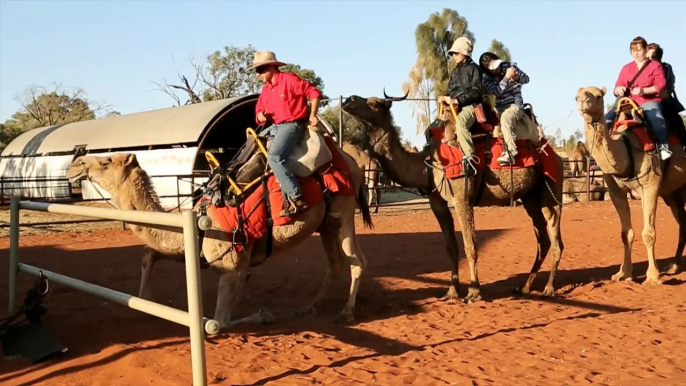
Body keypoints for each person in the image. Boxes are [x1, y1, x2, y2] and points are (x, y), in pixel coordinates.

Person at [249, 50, 322, 216]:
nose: (257, 75)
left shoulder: (289, 79)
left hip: (292, 125)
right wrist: (262, 115)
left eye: (259, 70)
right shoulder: (265, 90)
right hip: (275, 127)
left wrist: (312, 114)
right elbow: (258, 116)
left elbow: (314, 93)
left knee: (275, 157)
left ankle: (297, 198)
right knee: (251, 144)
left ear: (271, 68)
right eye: (256, 71)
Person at [604, 36, 671, 160]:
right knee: (607, 119)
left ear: (645, 49)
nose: (636, 53)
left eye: (639, 50)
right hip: (627, 101)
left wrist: (643, 90)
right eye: (633, 50)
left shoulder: (655, 66)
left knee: (656, 118)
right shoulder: (626, 68)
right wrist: (619, 89)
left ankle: (663, 147)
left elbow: (660, 85)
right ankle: (603, 150)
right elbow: (617, 86)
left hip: (648, 100)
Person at [436, 36, 488, 177]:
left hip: (470, 106)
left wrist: (456, 100)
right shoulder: (454, 72)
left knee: (461, 124)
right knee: (434, 129)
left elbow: (477, 92)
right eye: (452, 53)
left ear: (464, 53)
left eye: (456, 53)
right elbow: (450, 91)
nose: (453, 56)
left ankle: (469, 160)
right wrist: (444, 99)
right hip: (454, 108)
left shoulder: (475, 70)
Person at [478, 52, 530, 165]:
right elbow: (497, 91)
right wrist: (507, 77)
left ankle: (511, 152)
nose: (496, 69)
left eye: (497, 65)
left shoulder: (510, 67)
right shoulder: (486, 79)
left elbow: (526, 79)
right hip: (500, 107)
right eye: (492, 68)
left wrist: (517, 77)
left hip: (515, 104)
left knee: (506, 119)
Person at [647, 42, 686, 145]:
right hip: (642, 102)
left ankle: (683, 145)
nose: (650, 59)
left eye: (653, 57)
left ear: (658, 58)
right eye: (647, 57)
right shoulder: (640, 70)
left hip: (661, 100)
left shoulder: (666, 67)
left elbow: (667, 86)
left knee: (675, 119)